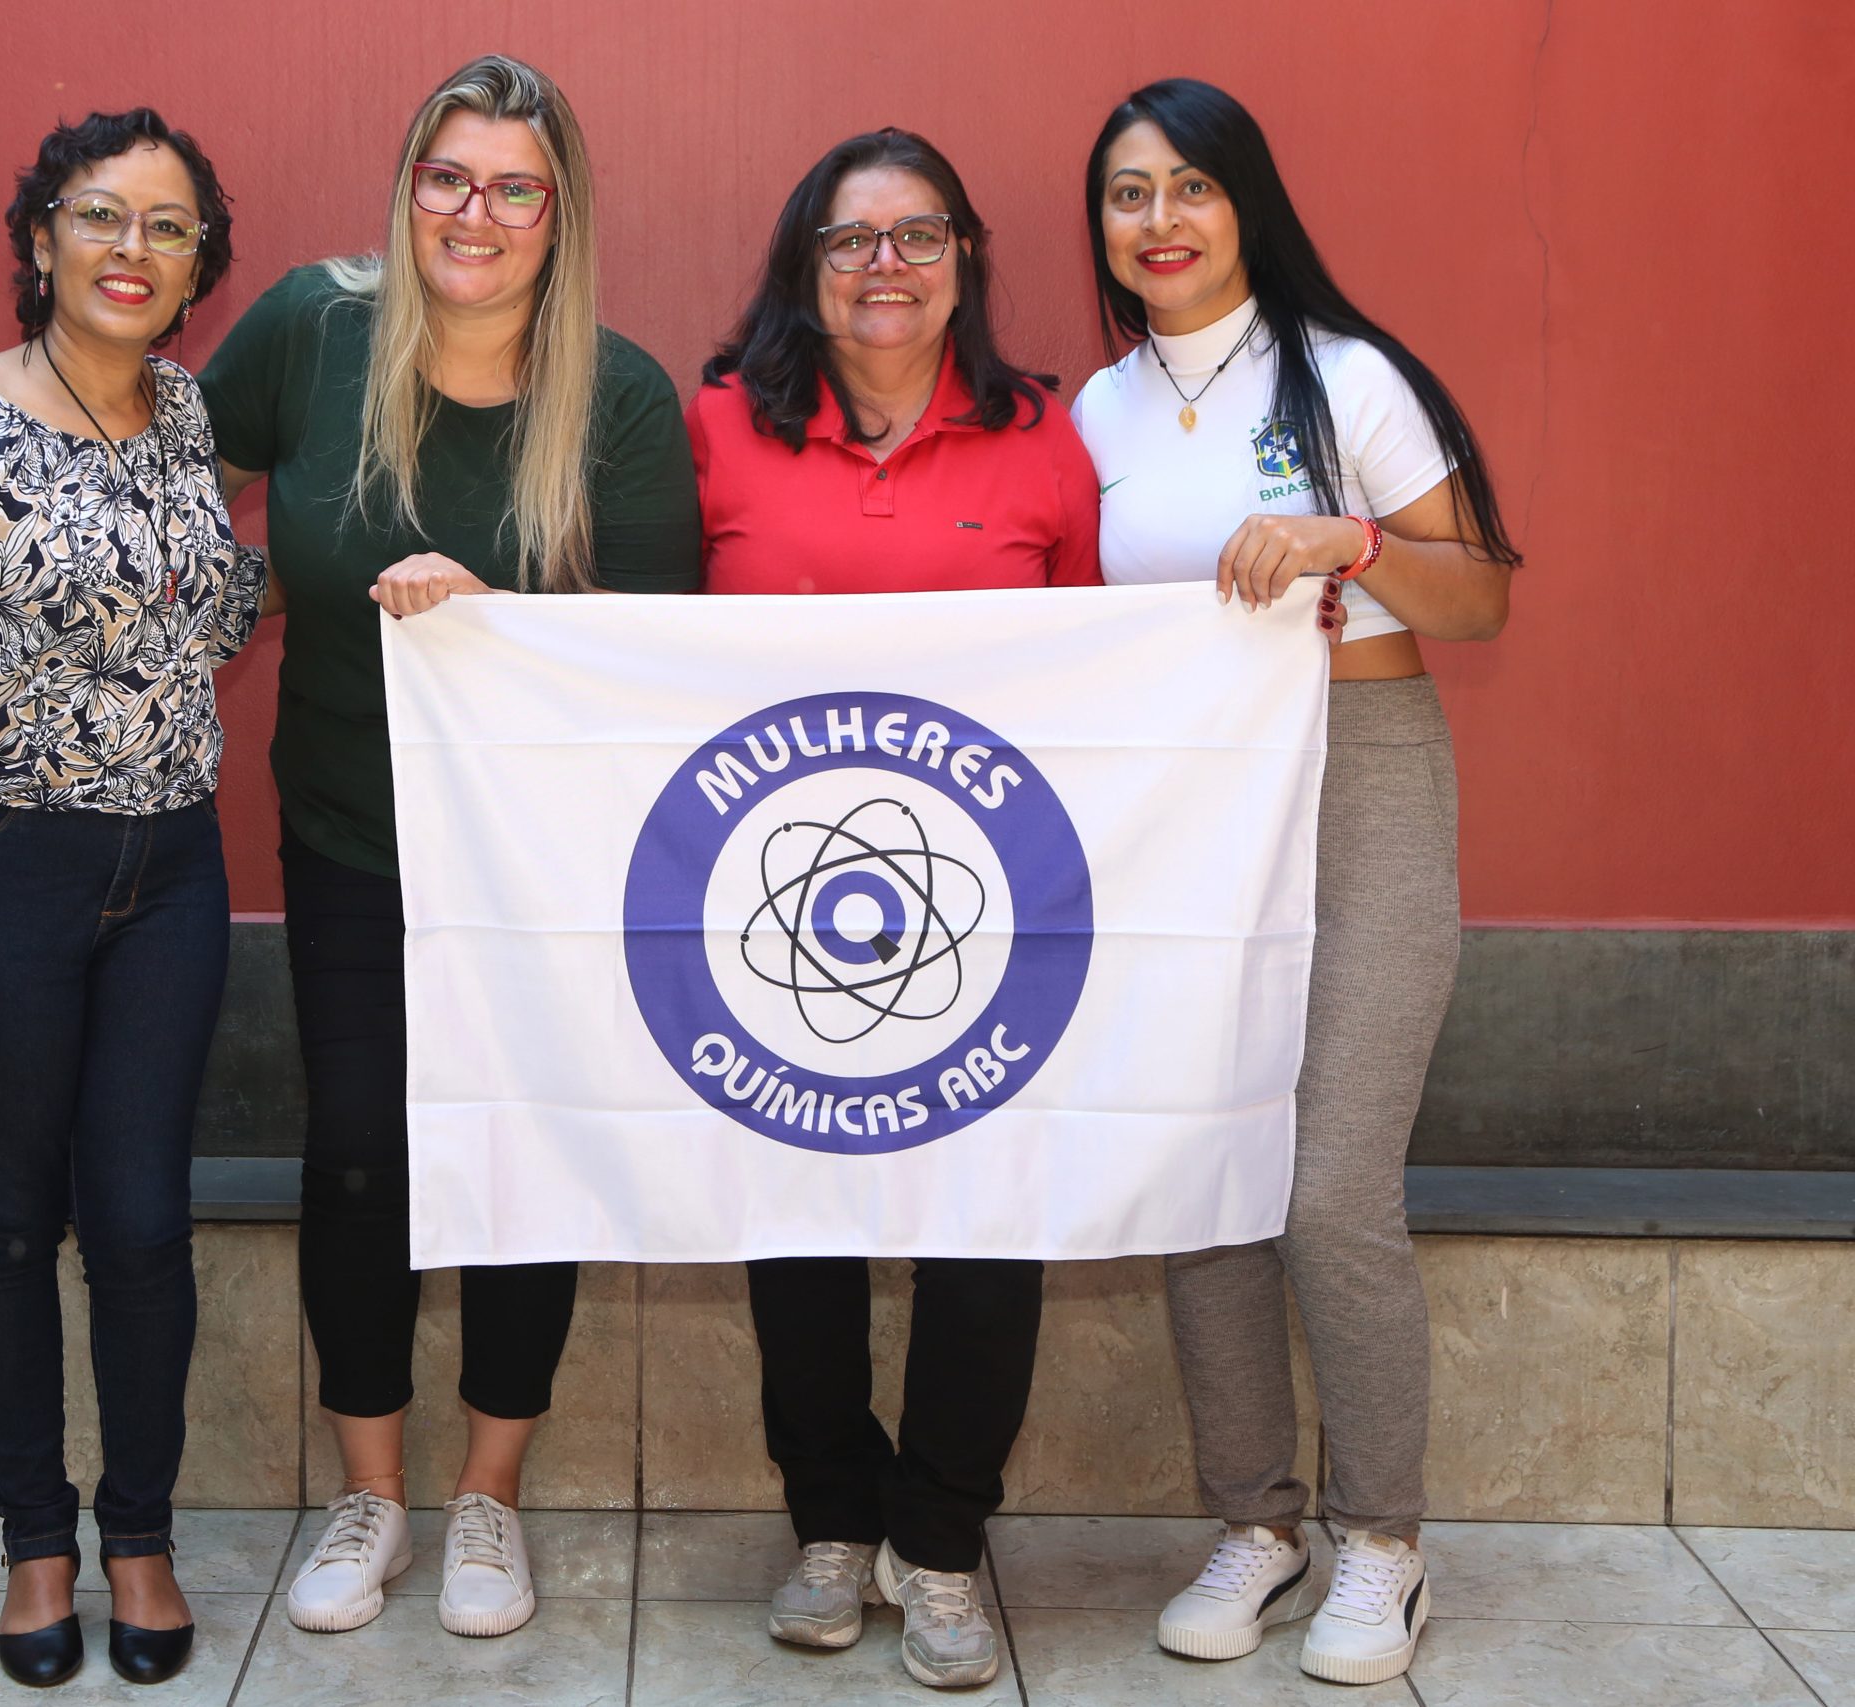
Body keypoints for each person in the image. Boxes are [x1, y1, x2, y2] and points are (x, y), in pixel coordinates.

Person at [197, 53, 699, 1639]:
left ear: (561, 217)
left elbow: (666, 642)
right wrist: (223, 602)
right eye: (447, 179)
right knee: (357, 1153)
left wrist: (507, 627)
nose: (475, 215)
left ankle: (489, 1497)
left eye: (514, 189)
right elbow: (180, 504)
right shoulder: (307, 330)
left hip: (537, 855)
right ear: (408, 187)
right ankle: (372, 1497)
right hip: (350, 826)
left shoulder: (615, 394)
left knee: (515, 1154)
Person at [1070, 77, 1521, 1687]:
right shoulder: (1097, 414)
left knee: (1330, 1182)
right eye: (1130, 194)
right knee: (1210, 1175)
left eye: (1192, 188)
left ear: (1247, 204)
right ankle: (1257, 1523)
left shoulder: (1349, 376)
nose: (1162, 221)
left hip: (1366, 784)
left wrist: (1348, 543)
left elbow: (1478, 606)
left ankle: (1383, 1542)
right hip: (1187, 817)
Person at [0, 108, 265, 1689]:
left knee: (145, 1222)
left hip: (174, 873)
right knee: (13, 1221)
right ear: (41, 239)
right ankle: (35, 1543)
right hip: (1, 873)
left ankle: (137, 1534)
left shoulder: (184, 417)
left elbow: (212, 604)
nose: (133, 250)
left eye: (167, 227)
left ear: (197, 263)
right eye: (102, 216)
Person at [685, 127, 1101, 1692]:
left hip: (992, 919)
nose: (885, 266)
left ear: (965, 260)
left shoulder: (1043, 439)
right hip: (768, 917)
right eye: (852, 239)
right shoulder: (721, 426)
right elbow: (631, 643)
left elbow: (1107, 687)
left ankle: (940, 1550)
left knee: (988, 1227)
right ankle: (831, 1524)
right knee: (797, 1219)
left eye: (919, 236)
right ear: (806, 262)